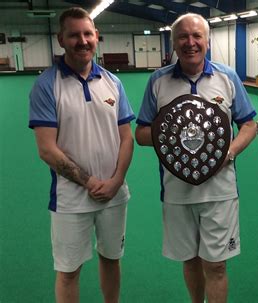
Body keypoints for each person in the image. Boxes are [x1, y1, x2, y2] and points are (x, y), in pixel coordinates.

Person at [135, 13, 257, 303]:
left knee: (216, 264)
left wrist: (229, 152)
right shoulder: (158, 81)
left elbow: (249, 125)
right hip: (177, 192)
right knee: (189, 260)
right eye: (183, 37)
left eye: (197, 36)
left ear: (207, 40)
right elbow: (140, 134)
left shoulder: (227, 77)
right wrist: (170, 138)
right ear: (174, 42)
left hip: (220, 191)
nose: (190, 42)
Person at [28, 7, 135, 303]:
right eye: (74, 35)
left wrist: (115, 181)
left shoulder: (114, 82)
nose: (82, 41)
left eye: (87, 34)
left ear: (97, 37)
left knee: (111, 259)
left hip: (115, 194)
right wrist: (89, 182)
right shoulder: (46, 85)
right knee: (69, 271)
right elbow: (47, 149)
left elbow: (126, 139)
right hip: (70, 200)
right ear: (61, 39)